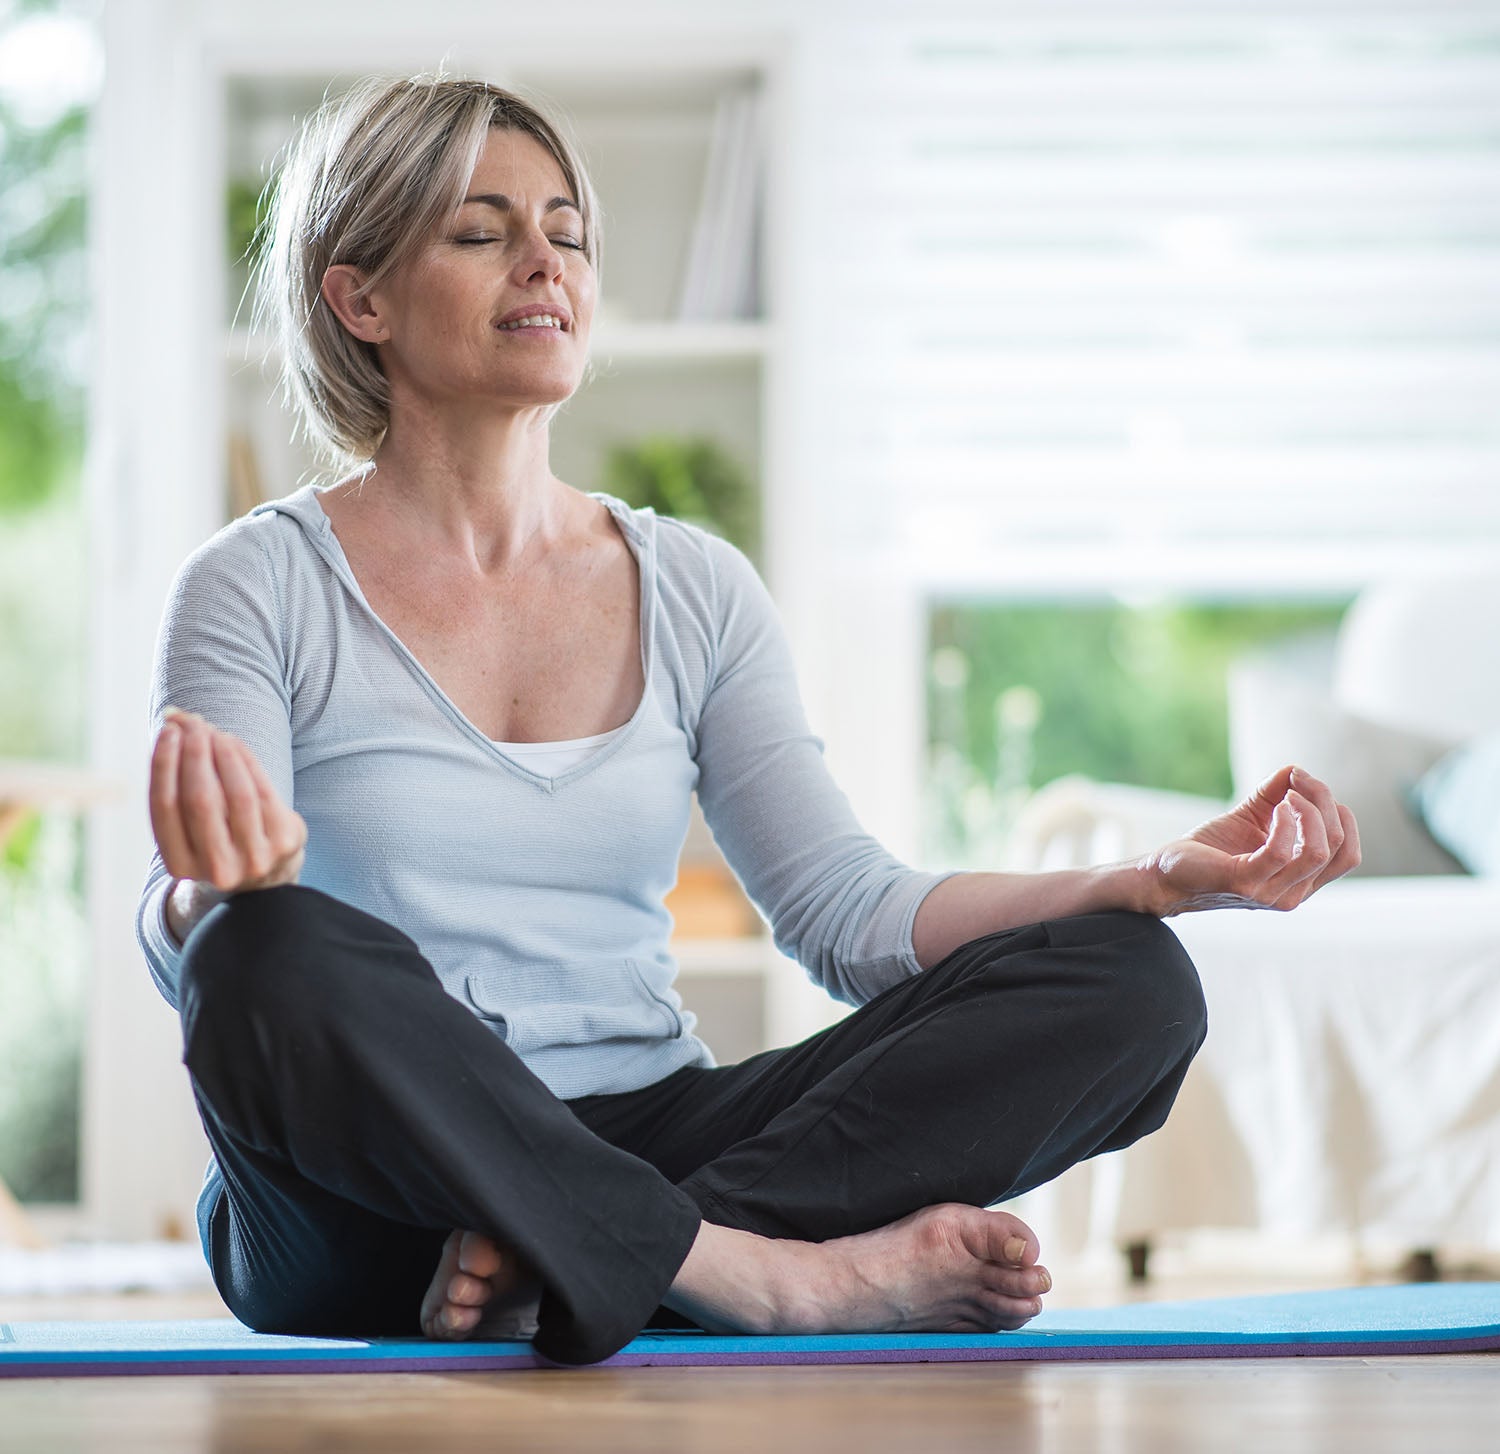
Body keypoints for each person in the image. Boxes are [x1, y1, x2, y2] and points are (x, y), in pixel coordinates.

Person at [137, 75, 1360, 1369]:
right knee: (255, 951)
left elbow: (849, 913)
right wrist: (204, 896)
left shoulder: (695, 586)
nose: (546, 260)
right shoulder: (256, 582)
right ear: (360, 297)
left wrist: (1151, 878)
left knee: (1130, 977)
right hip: (372, 1192)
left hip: (657, 1131)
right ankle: (766, 1279)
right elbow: (197, 938)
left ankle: (597, 1248)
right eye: (483, 230)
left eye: (569, 229)